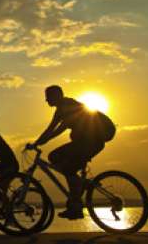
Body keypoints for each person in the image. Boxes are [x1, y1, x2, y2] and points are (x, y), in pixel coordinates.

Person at [26, 85, 107, 219]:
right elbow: (49, 128)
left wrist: (43, 141)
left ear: (57, 95)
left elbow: (60, 129)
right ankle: (78, 198)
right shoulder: (60, 110)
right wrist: (37, 142)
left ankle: (76, 204)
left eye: (48, 97)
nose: (46, 100)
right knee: (63, 165)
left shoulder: (69, 105)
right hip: (86, 143)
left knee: (58, 159)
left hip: (90, 142)